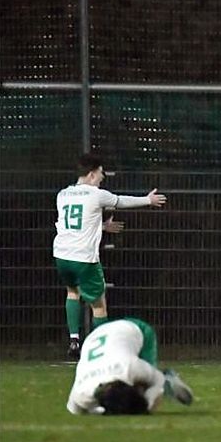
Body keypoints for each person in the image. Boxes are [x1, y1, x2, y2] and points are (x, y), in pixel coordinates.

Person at [55, 154, 167, 359]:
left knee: (72, 293)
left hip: (62, 255)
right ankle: (100, 351)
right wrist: (147, 200)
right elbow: (121, 201)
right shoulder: (96, 194)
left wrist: (103, 226)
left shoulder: (63, 195)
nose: (102, 177)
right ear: (91, 175)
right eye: (100, 173)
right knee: (99, 304)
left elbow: (77, 222)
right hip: (84, 258)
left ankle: (74, 340)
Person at [66, 318, 193, 415]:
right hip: (96, 337)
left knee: (149, 386)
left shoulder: (129, 368)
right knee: (140, 392)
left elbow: (157, 379)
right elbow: (74, 409)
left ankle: (168, 382)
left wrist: (148, 404)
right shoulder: (82, 392)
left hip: (134, 329)